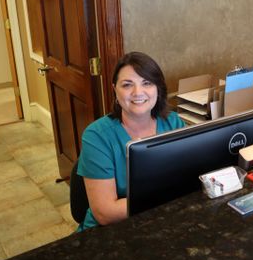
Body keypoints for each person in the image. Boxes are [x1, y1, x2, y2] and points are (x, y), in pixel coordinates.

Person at [76, 52, 185, 231]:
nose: (137, 93)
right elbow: (105, 213)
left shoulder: (173, 122)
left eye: (147, 83)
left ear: (158, 88)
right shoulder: (97, 136)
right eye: (127, 85)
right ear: (114, 89)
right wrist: (168, 197)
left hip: (160, 221)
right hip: (109, 231)